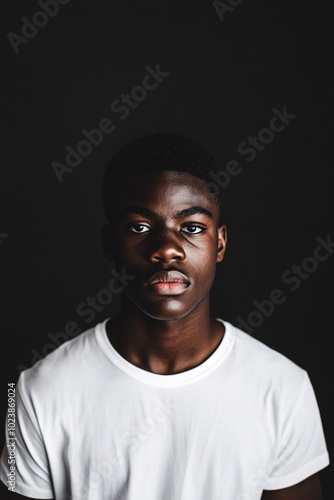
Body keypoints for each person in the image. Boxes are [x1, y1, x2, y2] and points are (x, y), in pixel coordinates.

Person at [0, 133, 329, 499]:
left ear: (219, 243)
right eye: (140, 227)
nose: (168, 248)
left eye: (191, 227)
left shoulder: (284, 388)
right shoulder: (36, 391)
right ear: (110, 243)